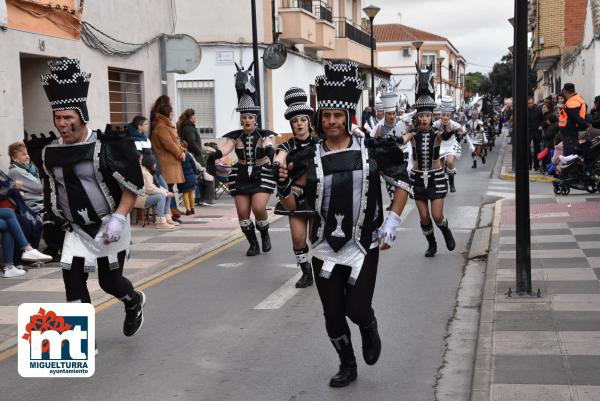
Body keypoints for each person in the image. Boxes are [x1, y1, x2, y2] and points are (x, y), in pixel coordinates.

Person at [277, 61, 405, 388]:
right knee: (333, 313)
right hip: (323, 250)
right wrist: (281, 186)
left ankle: (369, 324)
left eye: (338, 115)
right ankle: (347, 364)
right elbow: (292, 204)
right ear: (321, 118)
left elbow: (403, 183)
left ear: (348, 117)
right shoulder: (307, 158)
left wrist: (391, 220)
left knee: (357, 309)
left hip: (364, 246)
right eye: (327, 115)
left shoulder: (371, 151)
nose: (332, 121)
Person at [41, 58, 146, 343]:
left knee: (109, 281)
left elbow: (133, 185)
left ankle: (133, 301)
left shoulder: (107, 146)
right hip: (75, 229)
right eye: (57, 118)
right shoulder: (49, 152)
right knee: (72, 283)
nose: (62, 124)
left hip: (109, 223)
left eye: (68, 118)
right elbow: (51, 188)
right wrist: (52, 218)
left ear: (81, 116)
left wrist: (119, 217)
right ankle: (83, 341)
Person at [206, 71, 276, 256]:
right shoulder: (235, 136)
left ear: (255, 119)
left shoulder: (264, 134)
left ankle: (265, 234)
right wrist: (214, 156)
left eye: (250, 117)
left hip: (261, 172)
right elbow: (227, 148)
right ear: (241, 119)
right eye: (244, 117)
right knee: (243, 212)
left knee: (259, 208)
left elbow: (269, 144)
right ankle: (253, 243)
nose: (247, 120)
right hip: (241, 174)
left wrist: (269, 150)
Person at [409, 64, 456, 257]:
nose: (424, 119)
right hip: (418, 178)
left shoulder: (437, 133)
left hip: (436, 177)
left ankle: (445, 230)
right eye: (421, 116)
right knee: (424, 217)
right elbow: (402, 139)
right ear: (418, 117)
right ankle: (432, 244)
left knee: (436, 216)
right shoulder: (411, 134)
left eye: (427, 115)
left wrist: (449, 132)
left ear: (431, 116)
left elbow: (444, 136)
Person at [273, 87, 317, 288]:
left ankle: (326, 271)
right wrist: (278, 166)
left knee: (315, 238)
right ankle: (306, 273)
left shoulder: (320, 143)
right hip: (295, 197)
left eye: (302, 120)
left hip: (318, 195)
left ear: (309, 121)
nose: (299, 124)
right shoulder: (287, 146)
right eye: (295, 121)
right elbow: (279, 158)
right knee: (298, 238)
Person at [373, 84, 414, 215]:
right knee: (389, 180)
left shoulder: (404, 122)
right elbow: (375, 144)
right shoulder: (380, 127)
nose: (391, 116)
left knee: (405, 174)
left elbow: (412, 133)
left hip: (404, 153)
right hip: (388, 157)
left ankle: (408, 189)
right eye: (389, 114)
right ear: (385, 114)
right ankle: (393, 200)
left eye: (393, 113)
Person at [150, 104, 185, 221]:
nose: (173, 114)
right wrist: (180, 154)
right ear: (169, 114)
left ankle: (172, 212)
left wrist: (182, 151)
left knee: (169, 187)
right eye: (172, 112)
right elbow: (169, 144)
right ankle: (169, 214)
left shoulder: (166, 125)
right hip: (166, 162)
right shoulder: (161, 127)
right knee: (167, 188)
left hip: (170, 161)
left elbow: (176, 142)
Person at [134, 153, 176, 229]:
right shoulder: (145, 173)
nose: (155, 165)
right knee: (161, 196)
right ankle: (160, 222)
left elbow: (155, 186)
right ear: (150, 163)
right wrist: (165, 193)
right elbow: (149, 189)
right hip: (140, 199)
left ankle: (167, 218)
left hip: (145, 196)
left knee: (166, 194)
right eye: (154, 163)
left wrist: (166, 192)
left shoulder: (148, 172)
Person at [433, 96, 464, 193]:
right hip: (441, 145)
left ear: (450, 116)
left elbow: (462, 130)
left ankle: (452, 183)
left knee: (450, 162)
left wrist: (458, 131)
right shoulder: (437, 124)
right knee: (440, 167)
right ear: (440, 115)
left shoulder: (453, 124)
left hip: (451, 144)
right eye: (443, 115)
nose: (445, 117)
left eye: (447, 115)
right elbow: (432, 131)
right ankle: (443, 183)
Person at [7, 141, 44, 212]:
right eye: (23, 154)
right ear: (14, 158)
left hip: (38, 203)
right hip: (33, 206)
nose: (27, 157)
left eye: (27, 154)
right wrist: (41, 190)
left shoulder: (27, 169)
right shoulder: (16, 171)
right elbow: (39, 187)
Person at [561, 83, 589, 155]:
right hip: (572, 131)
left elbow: (576, 118)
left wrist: (586, 125)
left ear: (565, 91)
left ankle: (572, 166)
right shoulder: (575, 99)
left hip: (571, 132)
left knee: (570, 156)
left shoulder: (572, 102)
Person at [180, 142, 198, 215]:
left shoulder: (179, 155)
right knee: (191, 192)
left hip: (184, 177)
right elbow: (194, 164)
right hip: (191, 176)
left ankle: (188, 210)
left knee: (185, 193)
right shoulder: (188, 155)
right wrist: (195, 173)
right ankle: (192, 208)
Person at [527, 96, 544, 170]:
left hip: (537, 132)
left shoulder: (538, 109)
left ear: (533, 102)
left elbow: (542, 119)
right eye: (528, 103)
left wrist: (541, 126)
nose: (530, 104)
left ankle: (536, 165)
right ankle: (529, 164)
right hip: (528, 132)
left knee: (537, 149)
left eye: (531, 103)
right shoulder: (525, 110)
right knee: (527, 149)